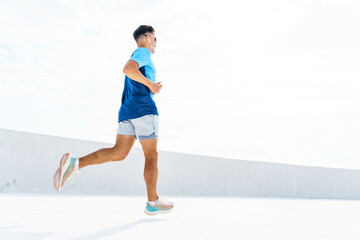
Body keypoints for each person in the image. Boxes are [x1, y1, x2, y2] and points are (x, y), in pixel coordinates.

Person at [52, 25, 174, 216]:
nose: (156, 45)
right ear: (149, 37)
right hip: (143, 110)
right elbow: (127, 69)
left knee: (119, 152)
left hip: (127, 111)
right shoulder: (143, 53)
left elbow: (132, 75)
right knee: (152, 156)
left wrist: (149, 86)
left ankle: (74, 164)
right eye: (156, 40)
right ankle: (152, 202)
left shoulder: (139, 56)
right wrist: (151, 85)